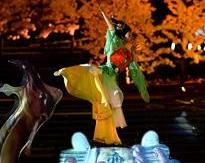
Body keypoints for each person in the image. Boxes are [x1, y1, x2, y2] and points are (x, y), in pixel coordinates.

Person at [56, 10, 149, 145]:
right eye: (129, 34)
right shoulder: (115, 43)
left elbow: (131, 66)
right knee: (106, 104)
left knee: (108, 107)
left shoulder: (127, 50)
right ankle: (65, 72)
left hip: (112, 79)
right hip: (104, 75)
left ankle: (105, 136)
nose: (131, 36)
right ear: (123, 35)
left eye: (131, 34)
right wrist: (102, 12)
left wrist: (133, 51)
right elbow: (111, 28)